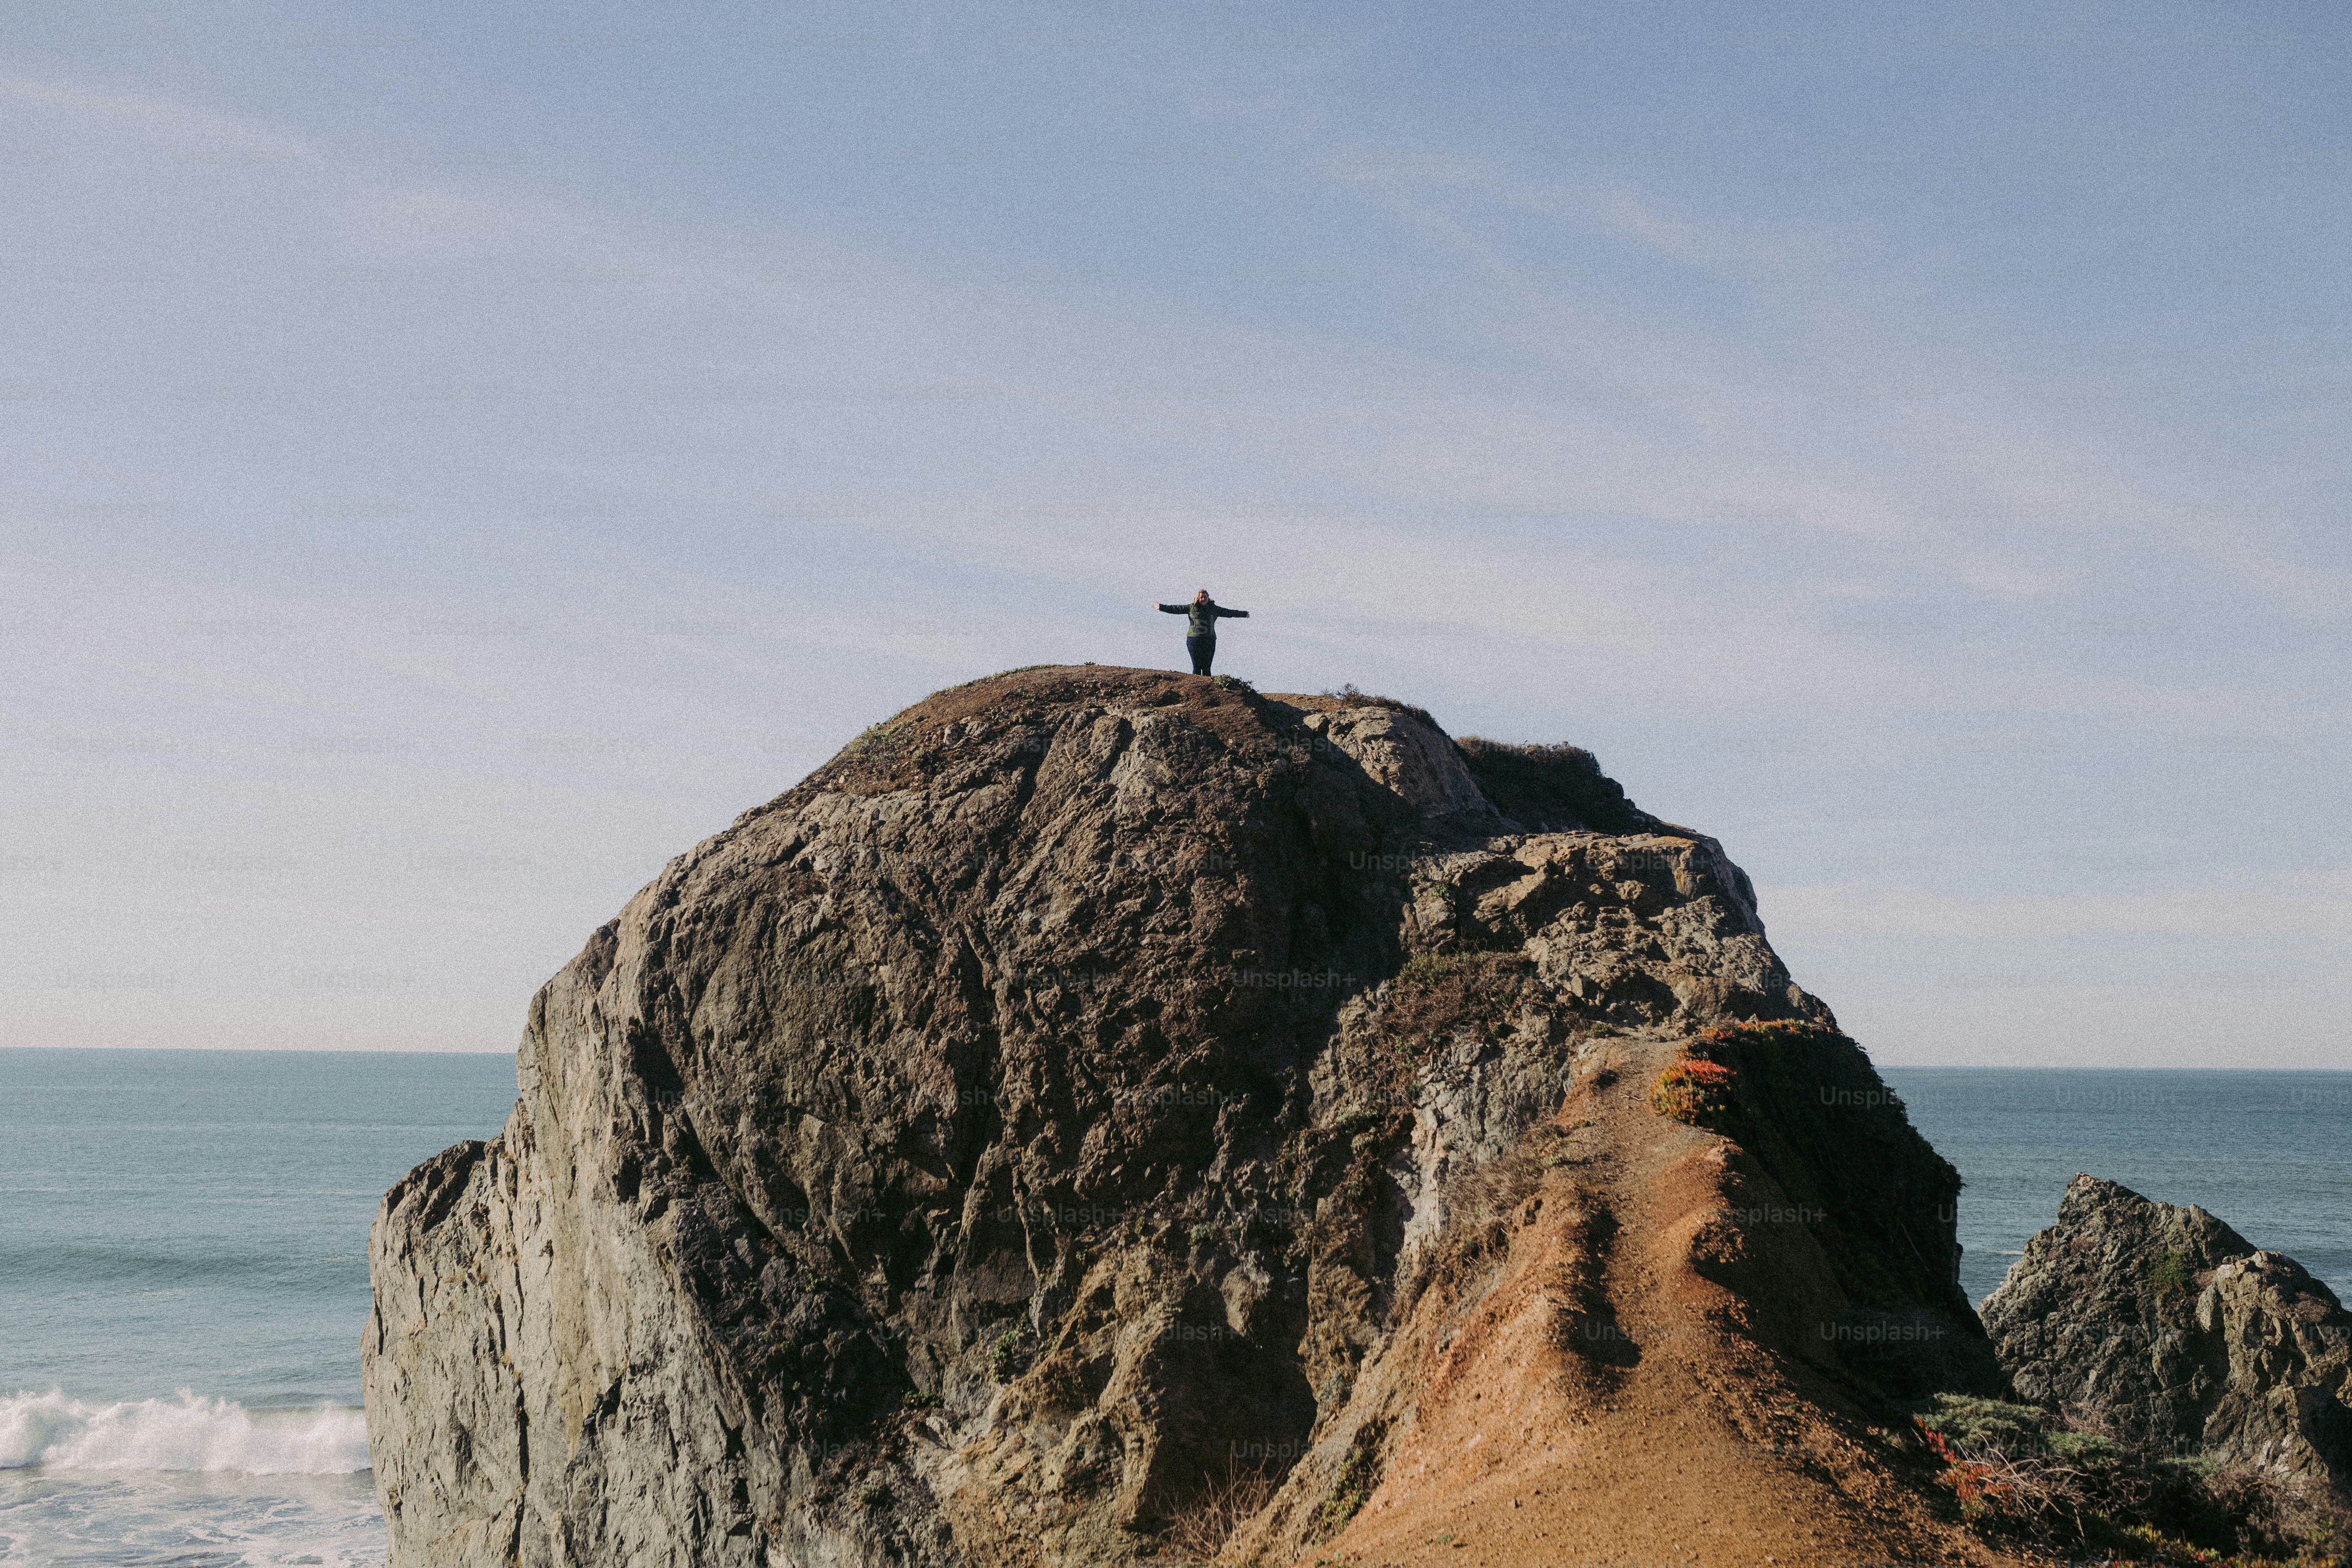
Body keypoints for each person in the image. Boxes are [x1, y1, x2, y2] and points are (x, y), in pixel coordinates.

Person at [1155, 589, 1249, 676]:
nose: (1203, 599)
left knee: (1207, 668)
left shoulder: (1214, 609)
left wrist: (1244, 614)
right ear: (1197, 598)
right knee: (1196, 667)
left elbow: (1229, 613)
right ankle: (1195, 690)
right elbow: (1176, 609)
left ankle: (1208, 691)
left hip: (1210, 640)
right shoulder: (1191, 608)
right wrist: (1161, 607)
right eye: (1201, 597)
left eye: (1205, 597)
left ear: (1208, 598)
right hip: (1194, 640)